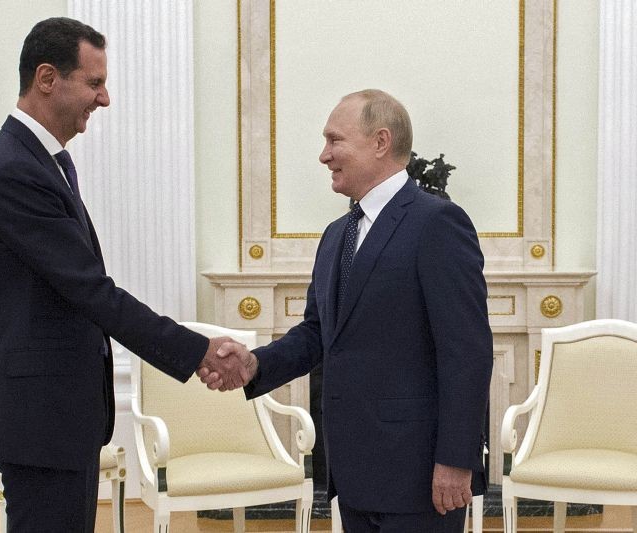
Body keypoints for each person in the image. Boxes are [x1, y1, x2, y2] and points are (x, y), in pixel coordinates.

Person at [0, 17, 248, 532]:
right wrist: (197, 351)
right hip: (41, 421)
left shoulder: (40, 162)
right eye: (94, 83)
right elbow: (91, 291)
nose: (105, 98)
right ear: (47, 78)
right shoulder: (15, 172)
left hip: (56, 419)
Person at [201, 89, 493, 532]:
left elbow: (467, 352)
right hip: (353, 472)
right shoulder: (337, 234)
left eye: (335, 140)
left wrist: (455, 460)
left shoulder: (437, 223)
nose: (324, 155)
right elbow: (318, 333)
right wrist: (256, 362)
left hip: (420, 476)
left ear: (380, 141)